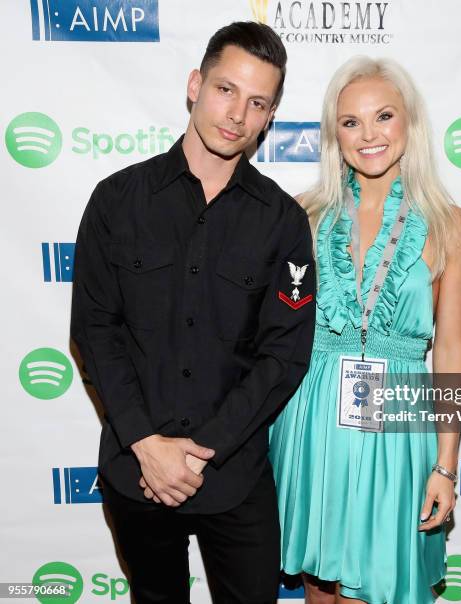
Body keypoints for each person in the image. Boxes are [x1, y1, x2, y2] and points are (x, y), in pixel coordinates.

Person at [70, 21, 316, 604]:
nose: (237, 114)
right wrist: (148, 446)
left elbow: (283, 355)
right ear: (194, 85)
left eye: (257, 102)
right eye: (226, 89)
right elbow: (94, 330)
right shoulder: (117, 200)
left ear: (270, 115)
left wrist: (200, 452)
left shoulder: (282, 221)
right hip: (138, 473)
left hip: (235, 477)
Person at [269, 56, 461, 604]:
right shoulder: (303, 217)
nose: (369, 135)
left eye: (383, 116)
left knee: (379, 587)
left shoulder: (452, 226)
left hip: (397, 429)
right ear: (334, 135)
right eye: (350, 122)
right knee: (321, 585)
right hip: (313, 421)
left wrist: (445, 465)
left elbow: (453, 349)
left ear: (409, 123)